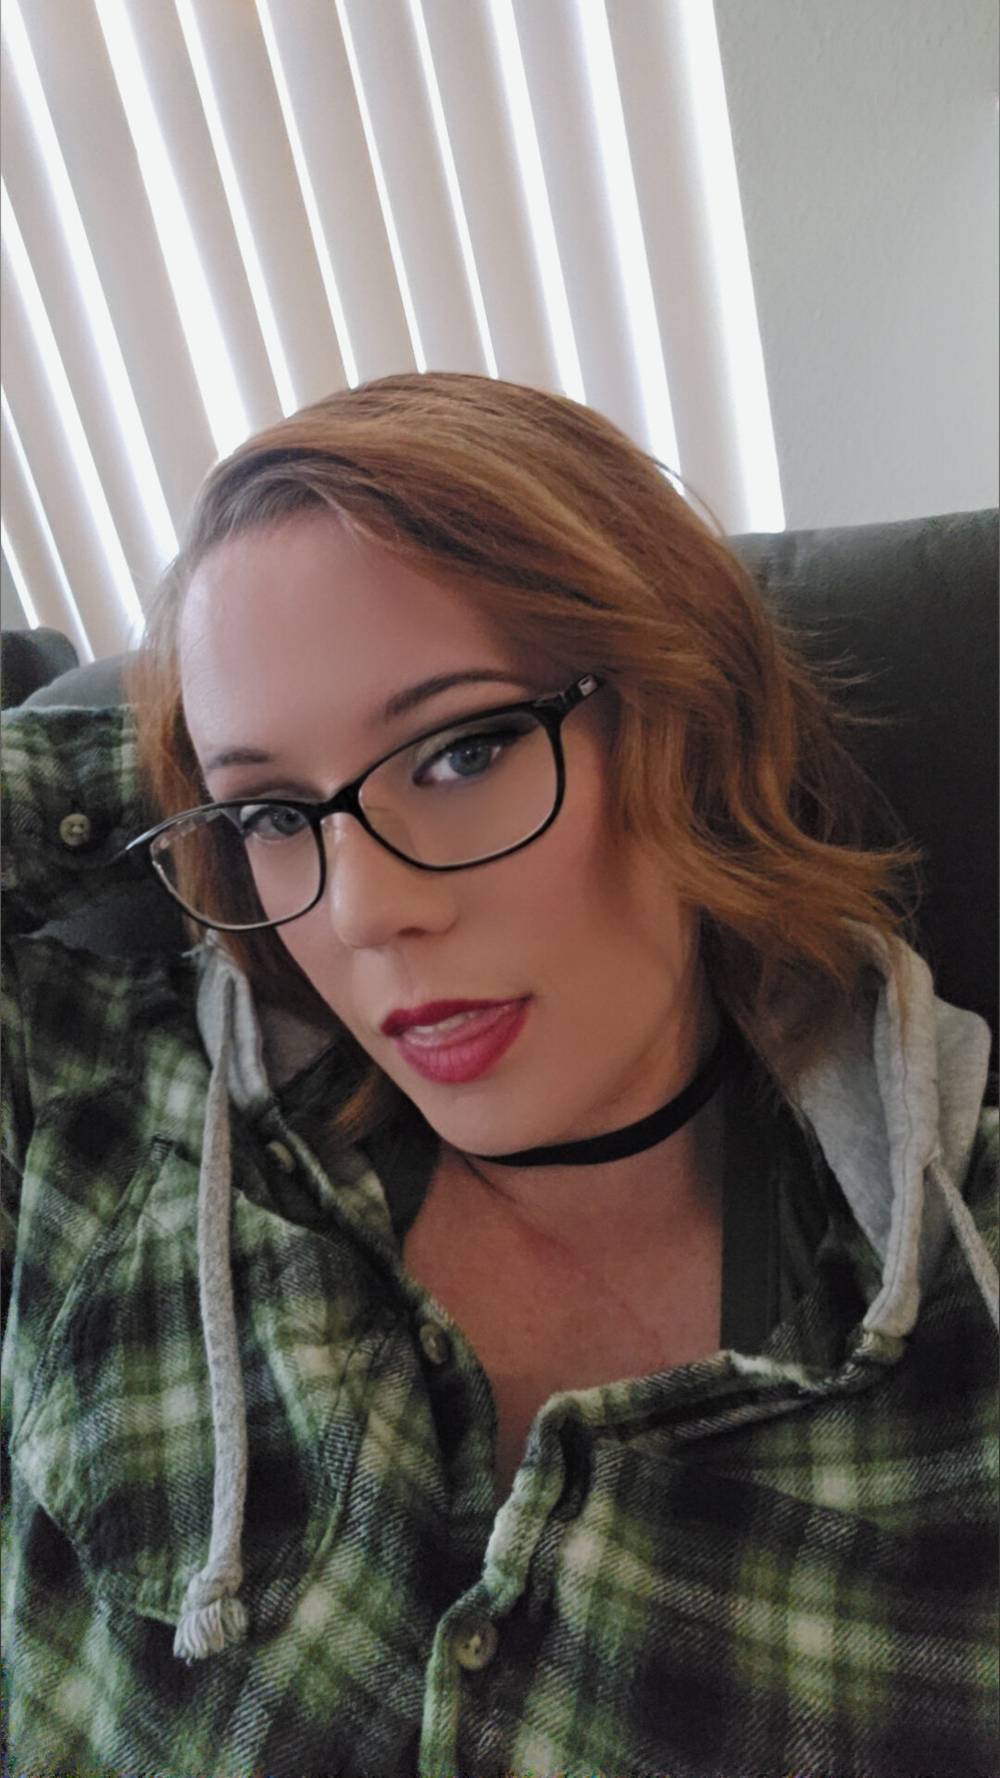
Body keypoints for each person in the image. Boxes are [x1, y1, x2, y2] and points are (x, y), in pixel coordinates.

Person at [2, 372, 996, 1778]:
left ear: (688, 721)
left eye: (462, 751)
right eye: (275, 815)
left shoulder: (960, 1301)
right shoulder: (98, 1104)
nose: (365, 913)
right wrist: (186, 753)